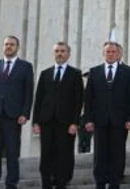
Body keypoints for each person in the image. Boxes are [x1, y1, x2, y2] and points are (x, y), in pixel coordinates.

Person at [0, 35, 35, 189]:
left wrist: (25, 113)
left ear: (17, 47)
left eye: (12, 44)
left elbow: (28, 92)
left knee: (12, 152)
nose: (8, 47)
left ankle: (11, 183)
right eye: (6, 44)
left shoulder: (25, 67)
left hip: (13, 115)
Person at [83, 41, 130, 189]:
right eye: (108, 52)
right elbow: (89, 99)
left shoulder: (129, 72)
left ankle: (115, 183)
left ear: (118, 54)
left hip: (120, 121)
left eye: (113, 52)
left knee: (118, 154)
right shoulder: (94, 72)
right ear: (103, 53)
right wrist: (88, 119)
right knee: (100, 154)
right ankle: (100, 183)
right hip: (100, 121)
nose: (110, 54)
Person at [33, 41, 84, 189]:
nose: (60, 54)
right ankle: (46, 182)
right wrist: (36, 122)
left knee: (64, 152)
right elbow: (39, 99)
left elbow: (78, 100)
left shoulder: (75, 74)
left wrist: (75, 122)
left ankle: (62, 182)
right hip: (47, 120)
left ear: (68, 54)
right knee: (46, 152)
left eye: (63, 51)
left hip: (66, 122)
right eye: (57, 51)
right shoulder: (45, 73)